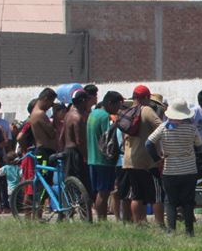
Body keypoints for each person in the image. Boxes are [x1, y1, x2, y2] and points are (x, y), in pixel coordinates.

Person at [147, 98, 202, 236]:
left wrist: (157, 159)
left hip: (169, 170)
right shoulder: (191, 128)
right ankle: (189, 231)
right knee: (188, 202)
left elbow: (148, 143)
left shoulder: (163, 127)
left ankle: (171, 230)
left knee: (170, 201)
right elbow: (200, 145)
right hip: (189, 170)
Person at [120, 85, 162, 225]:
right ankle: (160, 224)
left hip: (129, 160)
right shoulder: (147, 110)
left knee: (137, 195)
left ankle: (139, 223)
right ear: (145, 98)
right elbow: (161, 127)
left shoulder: (127, 112)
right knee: (157, 194)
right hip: (147, 160)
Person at [87, 90, 124, 221]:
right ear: (109, 103)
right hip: (103, 161)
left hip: (92, 159)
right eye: (117, 105)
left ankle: (99, 219)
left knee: (98, 192)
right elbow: (107, 138)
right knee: (104, 193)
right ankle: (102, 220)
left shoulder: (92, 114)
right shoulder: (104, 117)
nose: (118, 108)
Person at [63, 89, 91, 191]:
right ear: (83, 101)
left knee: (70, 183)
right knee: (82, 182)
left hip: (67, 151)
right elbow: (80, 141)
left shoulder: (67, 115)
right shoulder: (77, 117)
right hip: (75, 153)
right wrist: (86, 157)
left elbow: (62, 135)